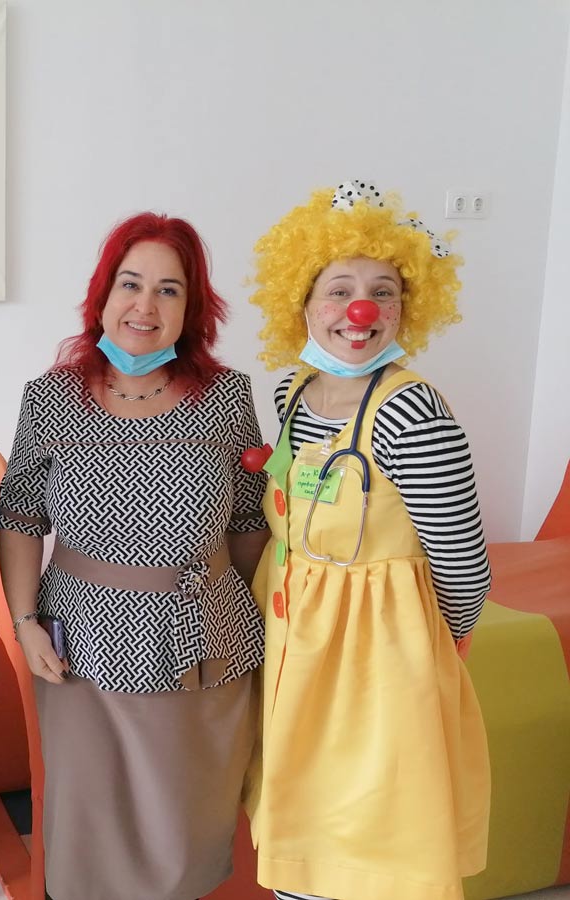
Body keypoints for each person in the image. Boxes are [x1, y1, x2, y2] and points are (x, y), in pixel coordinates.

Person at [0, 212, 270, 900]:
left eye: (169, 289)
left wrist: (244, 616)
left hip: (201, 644)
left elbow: (249, 518)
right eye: (131, 283)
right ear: (103, 295)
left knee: (184, 834)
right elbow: (21, 515)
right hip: (81, 646)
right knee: (92, 831)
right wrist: (25, 623)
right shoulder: (52, 398)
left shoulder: (227, 397)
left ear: (192, 308)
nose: (145, 305)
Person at [245, 180, 492, 900]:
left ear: (407, 308)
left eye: (384, 292)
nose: (362, 310)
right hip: (295, 636)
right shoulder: (292, 392)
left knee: (369, 828)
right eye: (340, 291)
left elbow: (462, 560)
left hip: (377, 653)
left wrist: (440, 639)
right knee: (300, 819)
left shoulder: (412, 411)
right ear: (303, 303)